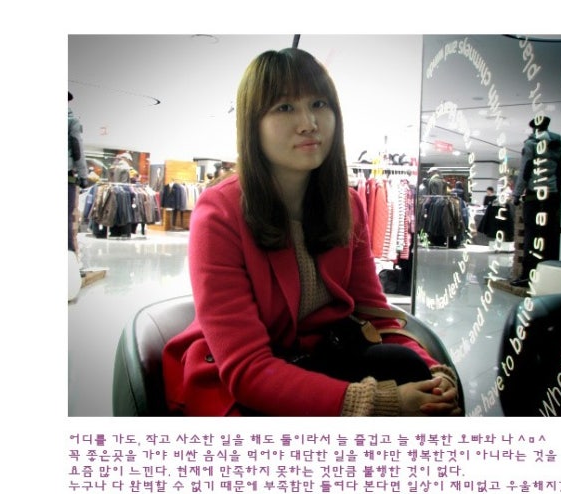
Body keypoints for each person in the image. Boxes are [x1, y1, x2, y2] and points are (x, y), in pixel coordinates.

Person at [162, 47, 460, 417]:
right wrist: (375, 403)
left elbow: (376, 314)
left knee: (413, 373)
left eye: (319, 103)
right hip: (240, 379)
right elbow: (247, 368)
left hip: (322, 355)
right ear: (253, 125)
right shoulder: (219, 212)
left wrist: (432, 370)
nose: (308, 123)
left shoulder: (347, 204)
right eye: (284, 107)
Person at [510, 115, 561, 286]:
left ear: (534, 128)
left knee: (531, 235)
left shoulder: (531, 144)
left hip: (534, 197)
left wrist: (516, 195)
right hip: (552, 196)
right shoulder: (557, 145)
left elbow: (525, 171)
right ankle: (548, 277)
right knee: (549, 236)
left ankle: (527, 276)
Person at [68, 91, 89, 252]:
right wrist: (83, 175)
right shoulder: (71, 121)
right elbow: (77, 148)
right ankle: (69, 256)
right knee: (67, 218)